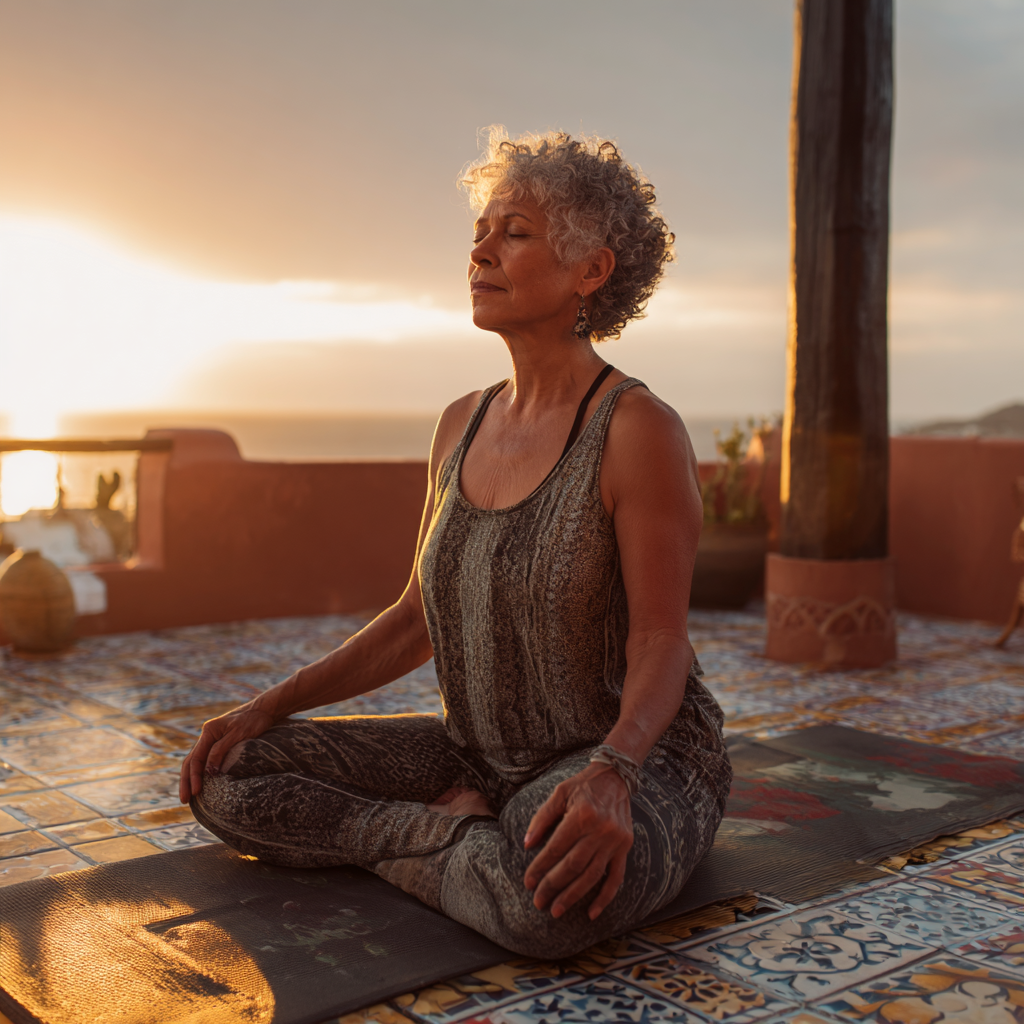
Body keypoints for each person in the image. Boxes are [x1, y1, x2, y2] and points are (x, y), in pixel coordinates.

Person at [180, 128, 732, 958]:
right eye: (481, 231)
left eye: (514, 233)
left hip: (629, 758)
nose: (481, 249)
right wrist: (270, 704)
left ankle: (459, 840)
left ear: (591, 271)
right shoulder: (457, 424)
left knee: (546, 908)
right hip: (473, 755)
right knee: (228, 776)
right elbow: (416, 617)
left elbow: (660, 637)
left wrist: (614, 772)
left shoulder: (636, 429)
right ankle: (455, 833)